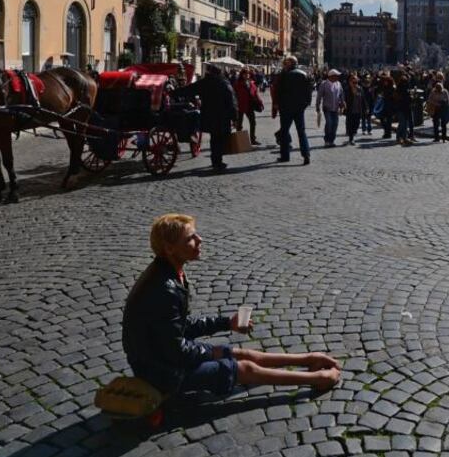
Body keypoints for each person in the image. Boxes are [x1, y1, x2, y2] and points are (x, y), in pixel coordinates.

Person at [122, 214, 341, 401]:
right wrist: (211, 351)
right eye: (190, 238)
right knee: (244, 368)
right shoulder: (163, 289)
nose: (200, 240)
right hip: (161, 374)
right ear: (170, 249)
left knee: (240, 353)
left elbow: (180, 327)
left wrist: (227, 323)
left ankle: (309, 359)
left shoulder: (171, 272)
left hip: (165, 358)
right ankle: (318, 379)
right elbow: (175, 351)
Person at [173, 64, 236, 171]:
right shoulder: (224, 83)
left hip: (209, 115)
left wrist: (173, 93)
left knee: (214, 138)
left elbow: (190, 89)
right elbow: (231, 101)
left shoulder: (205, 82)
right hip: (222, 116)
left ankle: (215, 160)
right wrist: (234, 116)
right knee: (219, 139)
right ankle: (217, 161)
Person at [275, 56, 312, 165]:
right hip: (299, 108)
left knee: (284, 131)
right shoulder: (304, 74)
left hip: (286, 108)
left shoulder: (284, 75)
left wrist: (278, 104)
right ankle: (306, 155)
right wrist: (304, 105)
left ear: (291, 63)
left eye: (286, 62)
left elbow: (279, 91)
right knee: (301, 132)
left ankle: (285, 156)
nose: (284, 64)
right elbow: (308, 93)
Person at [316, 70, 345, 147]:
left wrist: (342, 103)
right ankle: (327, 140)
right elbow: (319, 96)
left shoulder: (338, 84)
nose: (338, 77)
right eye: (336, 75)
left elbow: (341, 94)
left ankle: (332, 140)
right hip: (327, 107)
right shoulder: (324, 84)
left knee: (335, 124)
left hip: (335, 107)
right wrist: (317, 106)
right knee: (329, 123)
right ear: (331, 76)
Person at [233, 68, 262, 146]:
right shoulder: (237, 84)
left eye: (248, 74)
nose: (247, 75)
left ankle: (253, 139)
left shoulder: (251, 83)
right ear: (242, 75)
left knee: (253, 123)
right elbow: (234, 95)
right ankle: (239, 140)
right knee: (239, 125)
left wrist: (260, 102)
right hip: (240, 106)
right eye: (245, 74)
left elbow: (255, 93)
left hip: (249, 106)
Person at [343, 73, 365, 145]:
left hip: (358, 110)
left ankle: (353, 133)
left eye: (356, 82)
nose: (355, 83)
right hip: (350, 110)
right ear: (350, 82)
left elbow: (363, 99)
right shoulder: (347, 89)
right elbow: (344, 98)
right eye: (353, 82)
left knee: (357, 124)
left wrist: (366, 107)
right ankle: (351, 138)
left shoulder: (360, 89)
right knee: (350, 124)